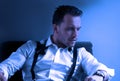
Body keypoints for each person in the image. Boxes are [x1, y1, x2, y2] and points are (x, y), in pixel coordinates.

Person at [0, 5, 114, 81]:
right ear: (55, 28)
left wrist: (98, 76)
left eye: (78, 29)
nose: (76, 35)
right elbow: (8, 65)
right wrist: (2, 72)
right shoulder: (30, 48)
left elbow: (100, 68)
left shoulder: (81, 54)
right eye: (70, 29)